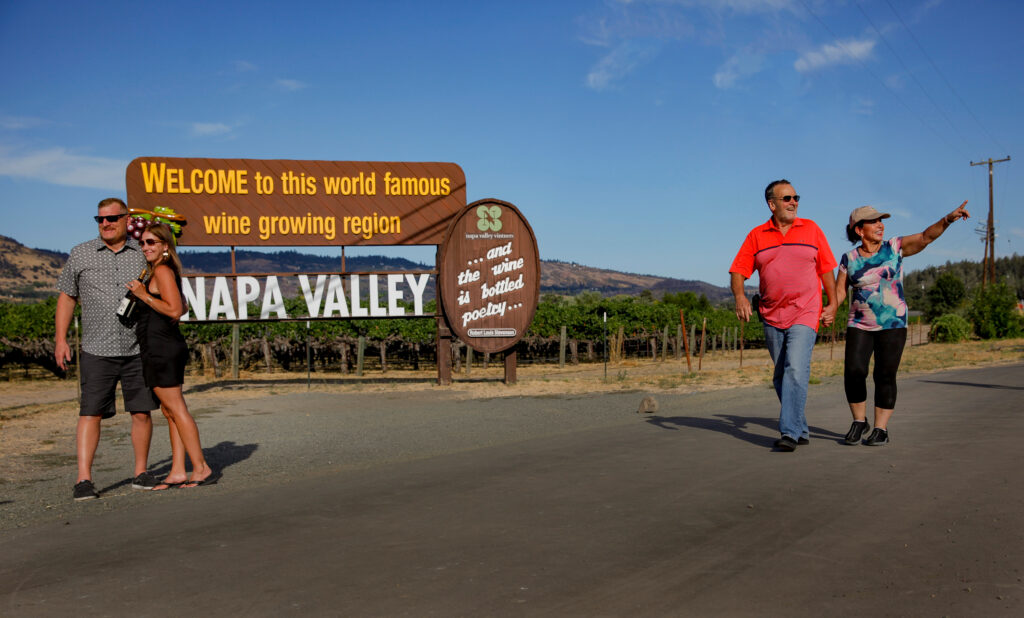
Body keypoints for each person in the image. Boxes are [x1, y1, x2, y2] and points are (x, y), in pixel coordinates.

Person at [836, 201, 970, 446]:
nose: (880, 225)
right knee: (854, 372)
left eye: (881, 221)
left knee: (884, 374)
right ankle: (858, 421)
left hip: (893, 324)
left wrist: (948, 219)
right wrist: (828, 308)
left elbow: (926, 236)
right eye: (874, 222)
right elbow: (840, 293)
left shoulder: (894, 247)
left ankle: (880, 429)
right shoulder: (849, 259)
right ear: (859, 230)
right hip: (859, 323)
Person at [56, 198, 160, 500]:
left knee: (141, 411)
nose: (106, 224)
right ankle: (84, 479)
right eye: (100, 219)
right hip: (96, 348)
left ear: (127, 219)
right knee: (90, 412)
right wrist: (60, 339)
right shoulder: (80, 253)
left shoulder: (143, 251)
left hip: (137, 347)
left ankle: (141, 472)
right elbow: (67, 298)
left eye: (113, 218)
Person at [730, 179, 838, 451]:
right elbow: (738, 270)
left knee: (795, 369)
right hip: (771, 313)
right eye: (787, 198)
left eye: (796, 197)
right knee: (780, 375)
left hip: (806, 310)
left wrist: (833, 303)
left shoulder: (812, 229)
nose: (793, 202)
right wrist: (740, 296)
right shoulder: (757, 235)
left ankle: (789, 432)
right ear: (772, 204)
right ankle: (800, 427)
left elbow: (826, 270)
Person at [127, 223, 218, 488]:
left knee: (176, 407)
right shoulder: (158, 271)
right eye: (143, 242)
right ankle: (178, 470)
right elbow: (181, 304)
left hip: (162, 349)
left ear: (165, 245)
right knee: (169, 410)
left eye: (152, 242)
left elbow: (176, 310)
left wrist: (143, 296)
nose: (146, 247)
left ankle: (200, 467)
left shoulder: (164, 270)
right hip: (158, 347)